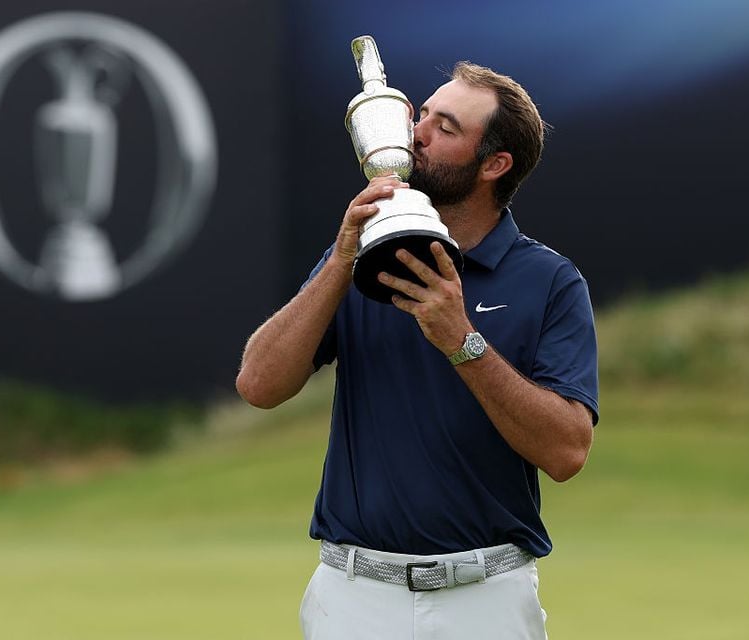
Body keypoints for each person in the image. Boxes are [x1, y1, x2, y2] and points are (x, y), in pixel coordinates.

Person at [236, 61, 598, 640]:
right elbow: (258, 385)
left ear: (494, 165)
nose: (417, 133)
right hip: (353, 597)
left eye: (445, 127)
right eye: (422, 115)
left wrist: (461, 341)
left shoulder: (550, 281)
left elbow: (566, 452)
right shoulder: (358, 257)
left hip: (486, 597)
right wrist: (340, 258)